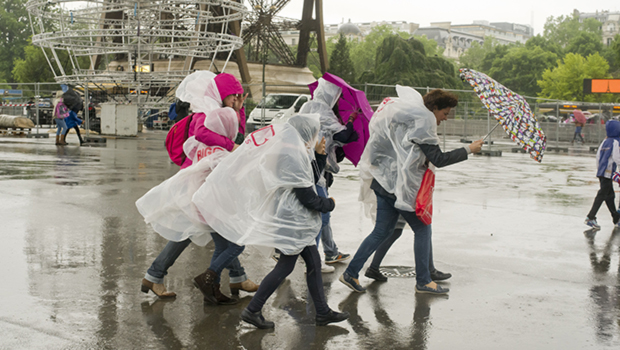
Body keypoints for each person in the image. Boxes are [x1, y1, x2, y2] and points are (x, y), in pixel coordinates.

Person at [193, 114, 349, 329]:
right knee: (285, 266)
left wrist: (319, 156)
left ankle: (322, 311)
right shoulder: (292, 156)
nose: (316, 137)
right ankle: (253, 310)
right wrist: (328, 204)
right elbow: (308, 197)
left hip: (296, 222)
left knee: (312, 263)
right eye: (314, 133)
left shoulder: (295, 152)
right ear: (305, 133)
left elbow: (308, 179)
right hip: (294, 222)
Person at [339, 86, 483, 295]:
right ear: (434, 108)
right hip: (400, 187)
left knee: (383, 231)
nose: (445, 118)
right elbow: (439, 159)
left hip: (383, 183)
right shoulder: (424, 121)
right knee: (422, 229)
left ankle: (351, 272)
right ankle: (424, 280)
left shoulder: (408, 117)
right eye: (445, 113)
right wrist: (469, 149)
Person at [137, 71, 258, 302]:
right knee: (210, 229)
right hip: (201, 180)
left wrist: (239, 108)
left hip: (207, 178)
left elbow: (237, 133)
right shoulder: (205, 109)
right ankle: (156, 275)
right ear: (223, 94)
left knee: (208, 229)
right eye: (233, 96)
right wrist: (230, 145)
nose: (235, 100)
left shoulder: (217, 108)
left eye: (238, 96)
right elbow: (206, 134)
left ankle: (236, 276)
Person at [298, 78, 355, 270]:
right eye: (337, 96)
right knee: (321, 213)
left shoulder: (307, 106)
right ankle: (311, 261)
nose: (338, 100)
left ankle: (328, 252)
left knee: (318, 214)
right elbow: (344, 136)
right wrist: (351, 121)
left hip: (304, 165)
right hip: (314, 166)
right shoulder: (323, 111)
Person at [585, 120, 620, 230]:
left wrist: (599, 169)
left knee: (610, 196)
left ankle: (616, 218)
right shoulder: (615, 142)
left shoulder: (604, 141)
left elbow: (598, 157)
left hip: (602, 172)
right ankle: (590, 217)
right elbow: (617, 158)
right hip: (608, 172)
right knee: (602, 195)